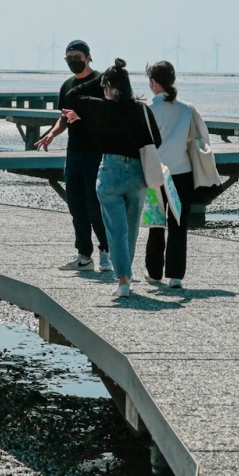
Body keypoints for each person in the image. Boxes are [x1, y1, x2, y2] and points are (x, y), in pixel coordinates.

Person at [61, 59, 160, 297]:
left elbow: (72, 97)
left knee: (115, 229)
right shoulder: (142, 109)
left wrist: (99, 77)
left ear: (108, 87)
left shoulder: (100, 107)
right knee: (131, 228)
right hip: (137, 173)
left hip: (110, 171)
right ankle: (126, 275)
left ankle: (123, 281)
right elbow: (156, 140)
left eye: (105, 86)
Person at [143, 60, 217, 289]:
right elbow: (203, 138)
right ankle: (176, 275)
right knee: (178, 224)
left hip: (155, 174)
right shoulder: (187, 109)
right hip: (182, 173)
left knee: (156, 223)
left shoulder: (147, 109)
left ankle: (154, 273)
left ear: (154, 82)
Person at [38, 41, 109, 272]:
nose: (72, 61)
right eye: (68, 58)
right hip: (74, 153)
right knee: (76, 204)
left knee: (94, 203)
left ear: (88, 57)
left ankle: (106, 252)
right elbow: (63, 117)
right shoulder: (67, 85)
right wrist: (51, 135)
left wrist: (85, 117)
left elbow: (112, 116)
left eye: (76, 57)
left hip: (96, 153)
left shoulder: (101, 82)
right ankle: (83, 256)